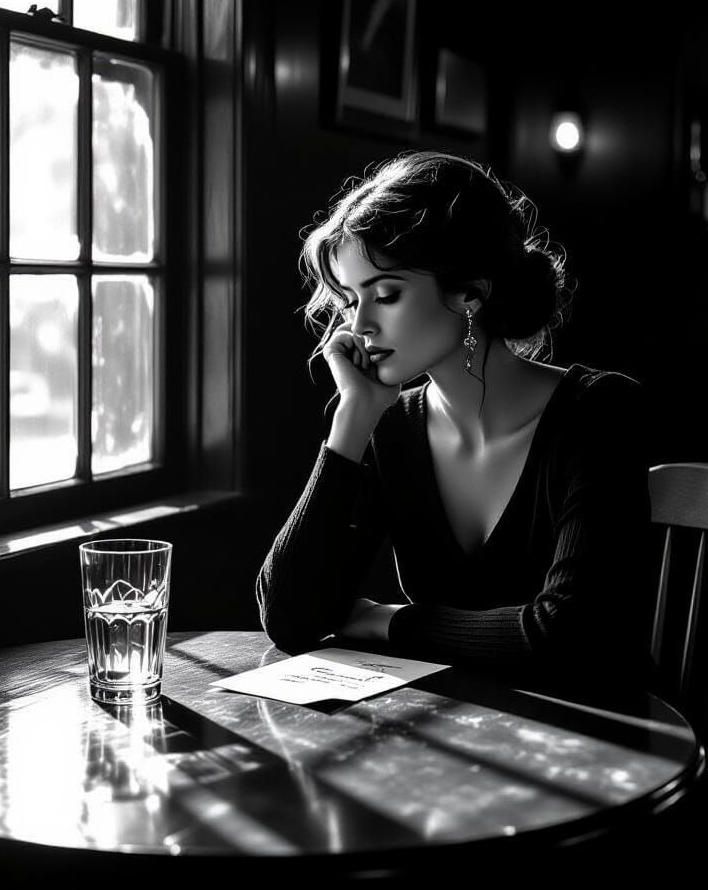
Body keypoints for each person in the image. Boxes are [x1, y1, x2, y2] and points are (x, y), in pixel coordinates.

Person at [255, 150, 657, 694]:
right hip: (457, 738)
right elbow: (291, 619)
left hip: (600, 743)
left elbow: (568, 637)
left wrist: (386, 620)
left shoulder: (601, 412)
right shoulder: (387, 425)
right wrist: (352, 419)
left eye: (387, 294)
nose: (360, 325)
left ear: (470, 291)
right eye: (350, 300)